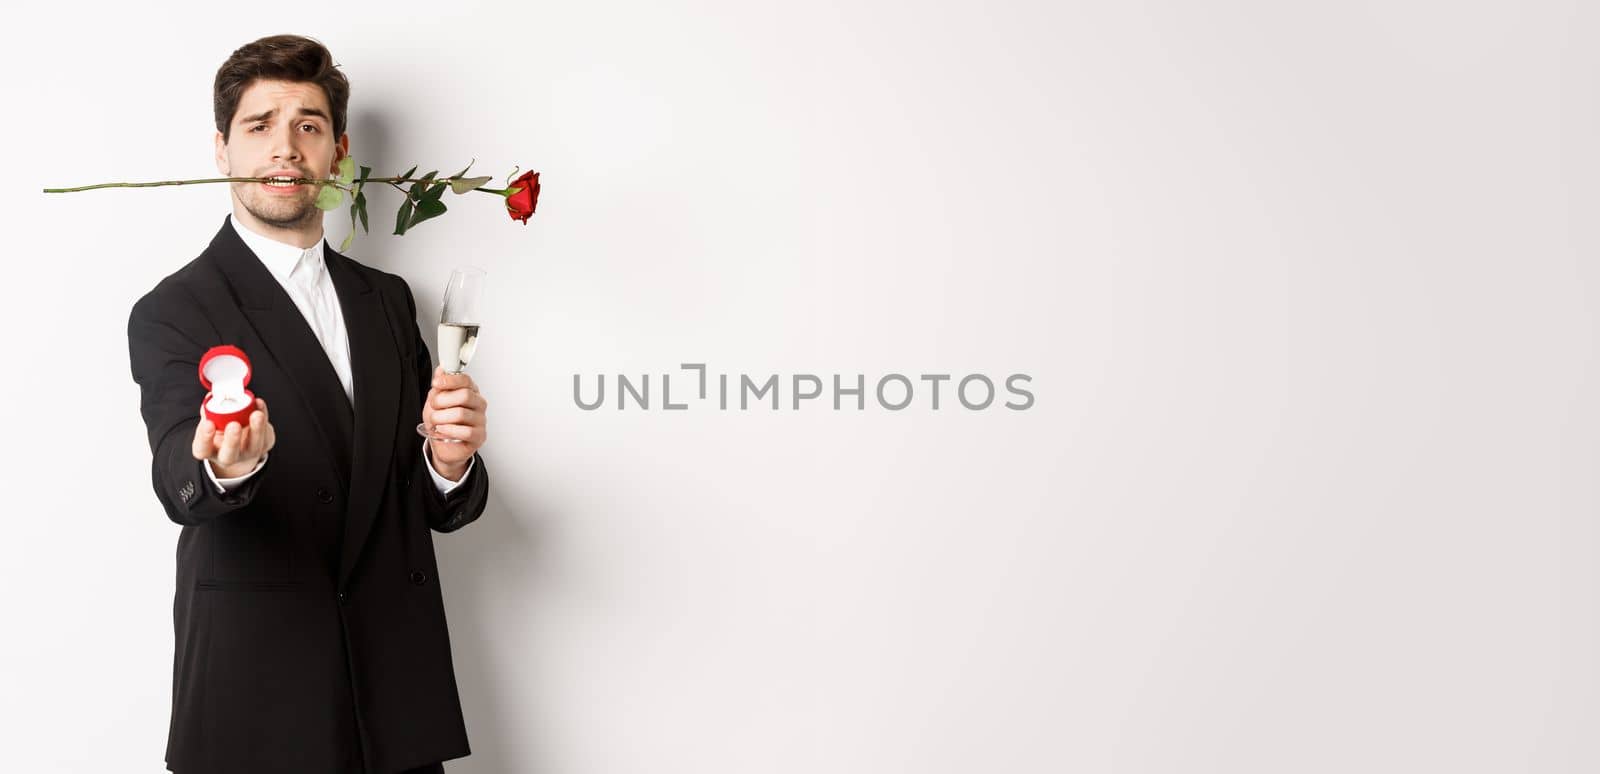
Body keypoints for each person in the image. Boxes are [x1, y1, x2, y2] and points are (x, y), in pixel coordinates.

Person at [126, 34, 491, 774]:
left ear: (337, 154)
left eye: (308, 126)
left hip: (395, 697)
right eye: (259, 126)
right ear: (223, 150)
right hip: (258, 701)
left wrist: (448, 460)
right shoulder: (174, 308)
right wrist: (225, 464)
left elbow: (420, 499)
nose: (285, 147)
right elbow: (178, 476)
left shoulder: (387, 301)